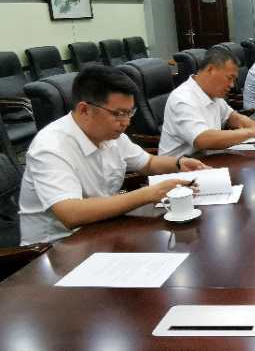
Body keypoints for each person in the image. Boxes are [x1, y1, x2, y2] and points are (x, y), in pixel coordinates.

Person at [18, 65, 208, 244]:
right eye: (119, 113)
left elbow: (148, 163)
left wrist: (178, 163)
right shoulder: (50, 147)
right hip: (57, 247)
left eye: (129, 112)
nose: (126, 122)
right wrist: (147, 194)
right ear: (84, 109)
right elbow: (71, 214)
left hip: (102, 229)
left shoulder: (110, 135)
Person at [159, 47, 255, 157]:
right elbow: (202, 139)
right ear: (210, 69)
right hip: (178, 169)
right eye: (229, 78)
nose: (232, 85)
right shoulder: (183, 98)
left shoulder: (212, 93)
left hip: (206, 161)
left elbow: (234, 117)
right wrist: (252, 132)